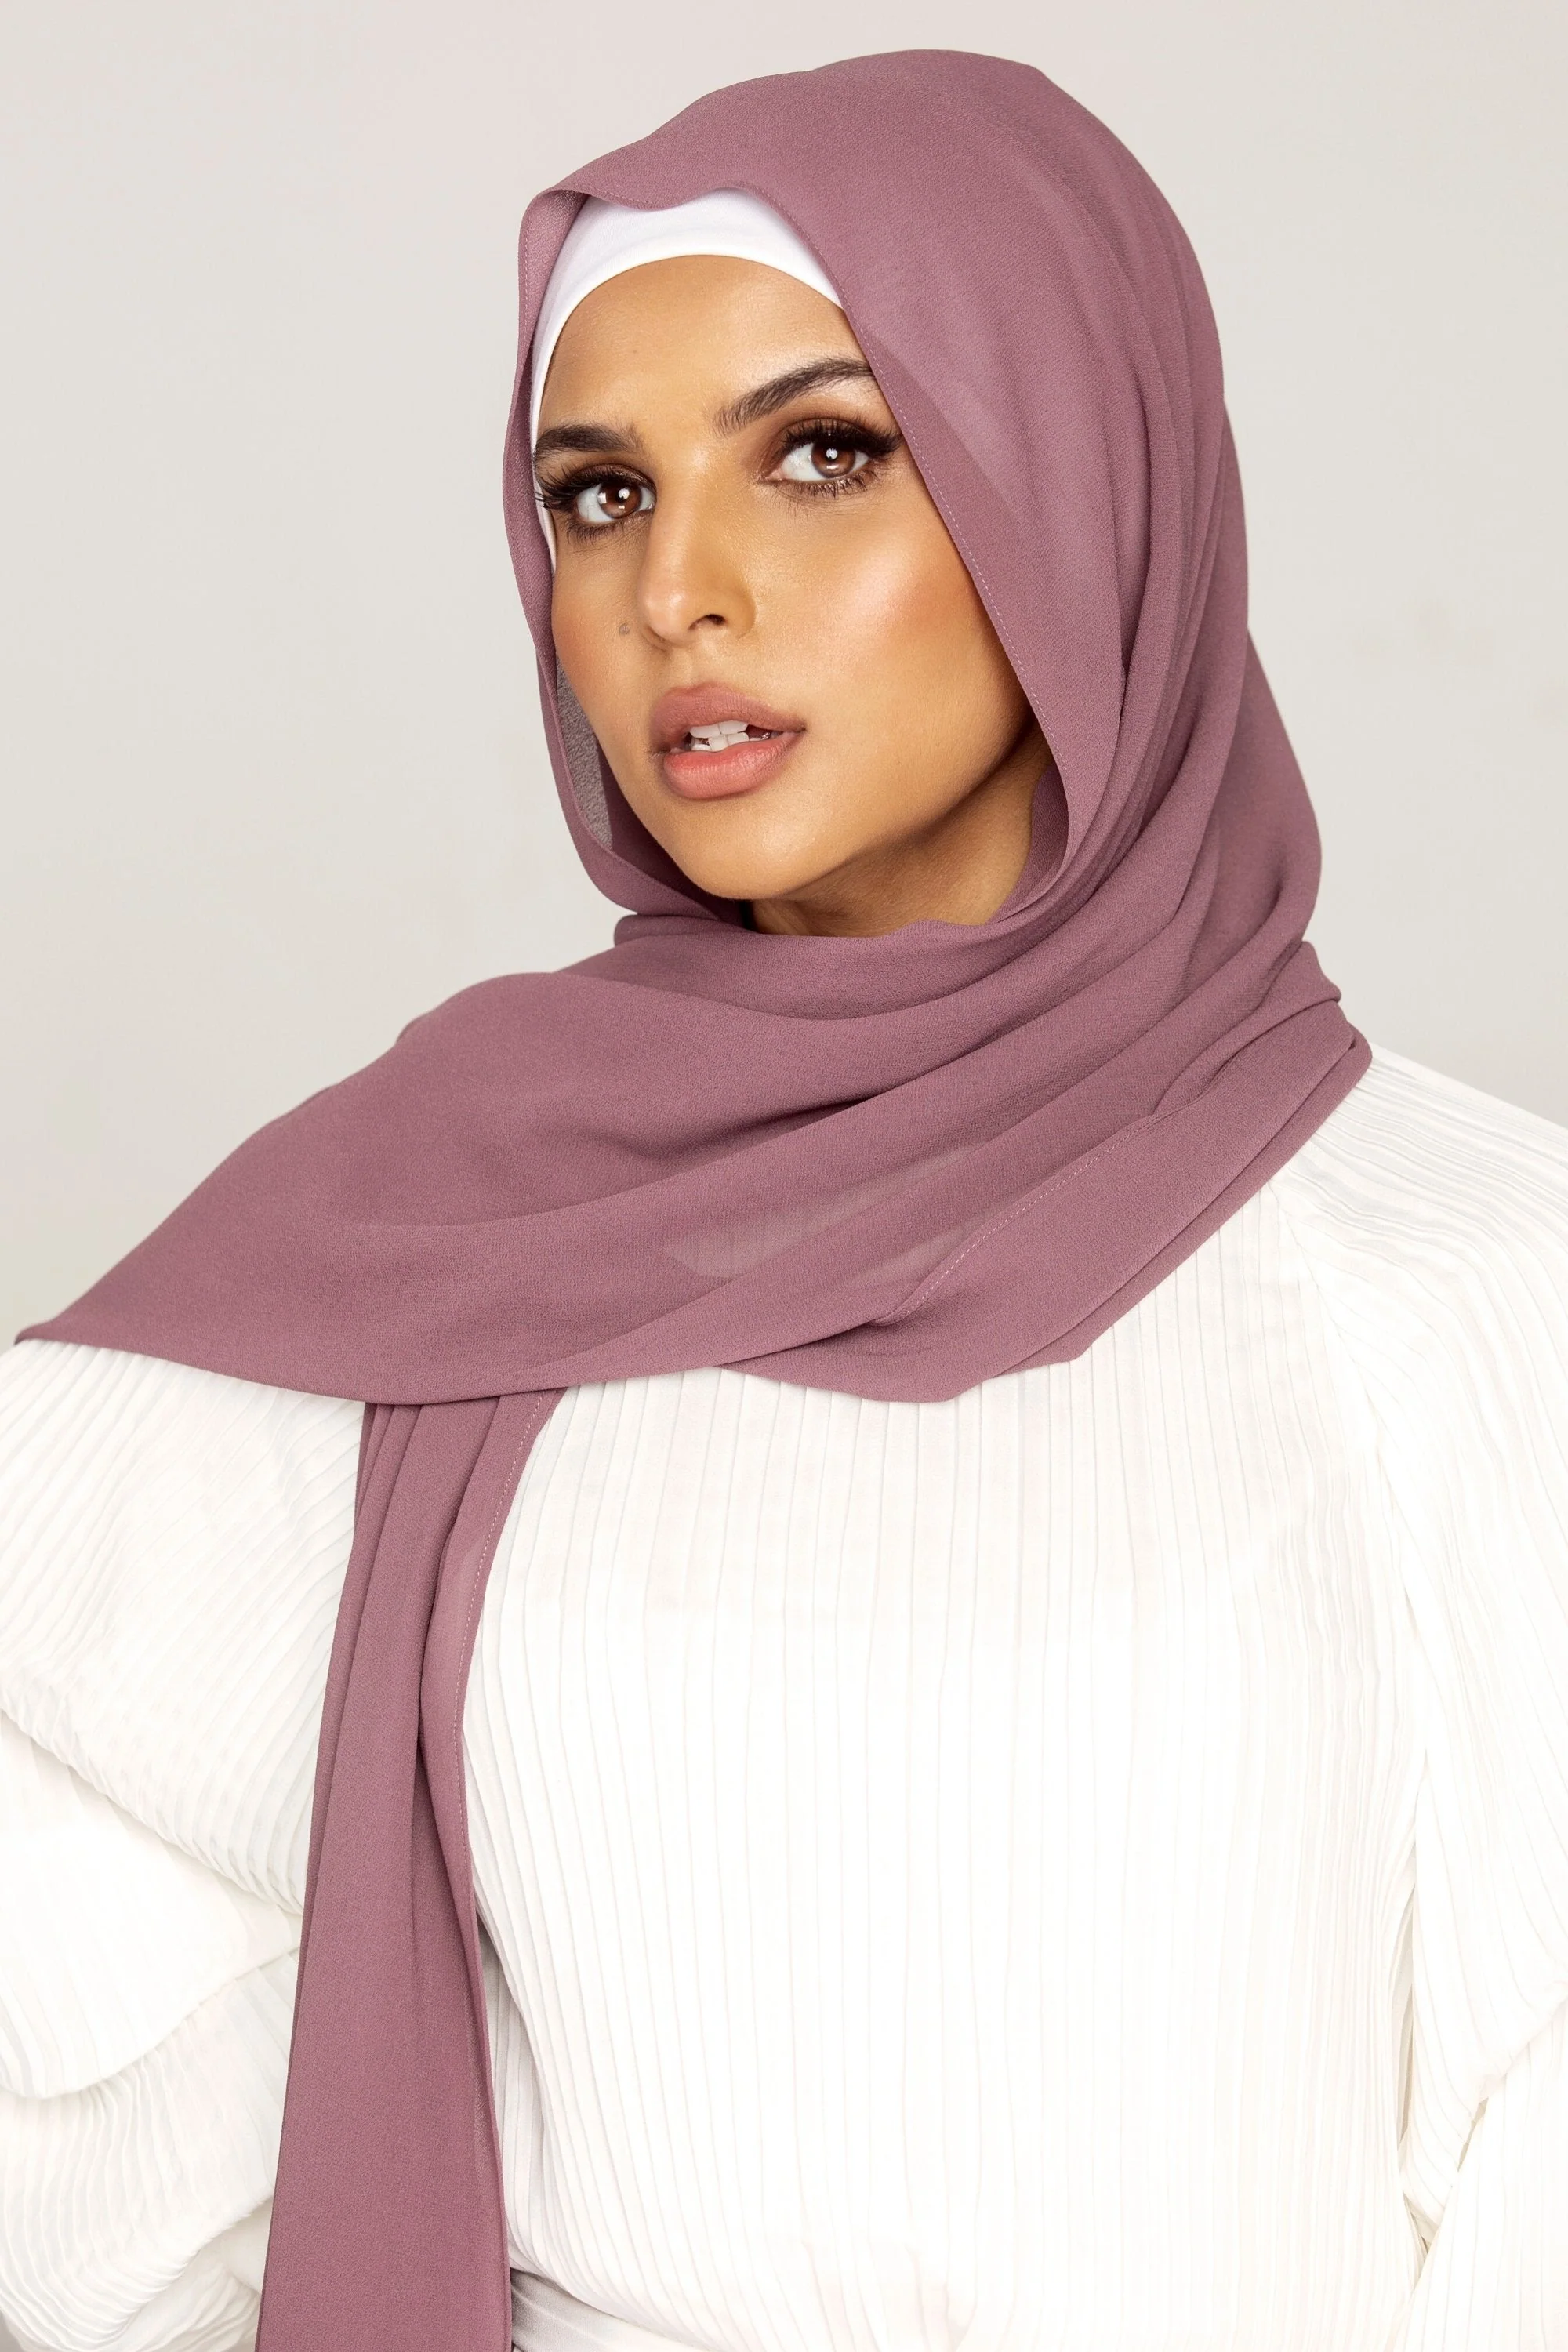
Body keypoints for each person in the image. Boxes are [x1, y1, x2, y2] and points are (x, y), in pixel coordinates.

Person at [2, 48, 1566, 2352]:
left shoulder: (1478, 1285)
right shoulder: (438, 1237)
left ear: (1086, 481)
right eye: (599, 494)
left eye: (824, 453)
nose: (680, 594)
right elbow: (101, 2118)